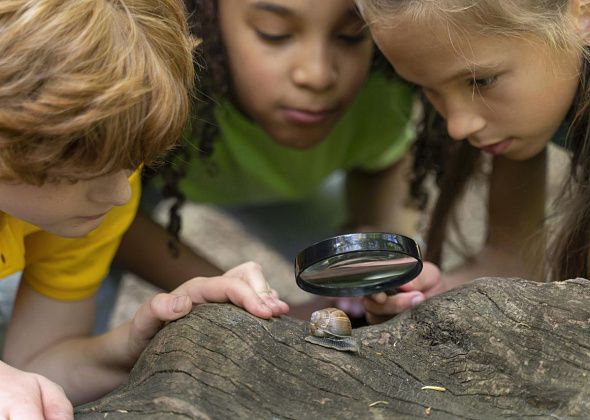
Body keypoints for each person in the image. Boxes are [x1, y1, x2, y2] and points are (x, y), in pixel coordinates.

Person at [0, 0, 288, 417]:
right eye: (84, 165)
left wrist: (138, 344)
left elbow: (37, 365)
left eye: (132, 161)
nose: (119, 194)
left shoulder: (88, 203)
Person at [111, 0, 432, 322]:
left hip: (301, 186)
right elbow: (107, 219)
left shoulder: (383, 80)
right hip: (130, 191)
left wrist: (385, 278)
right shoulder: (147, 79)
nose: (317, 75)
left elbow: (382, 161)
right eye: (274, 33)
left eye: (350, 35)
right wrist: (245, 301)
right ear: (200, 16)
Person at [352, 0, 588, 322]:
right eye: (426, 89)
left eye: (481, 81)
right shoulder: (519, 117)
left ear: (583, 14)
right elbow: (513, 261)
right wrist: (435, 296)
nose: (457, 126)